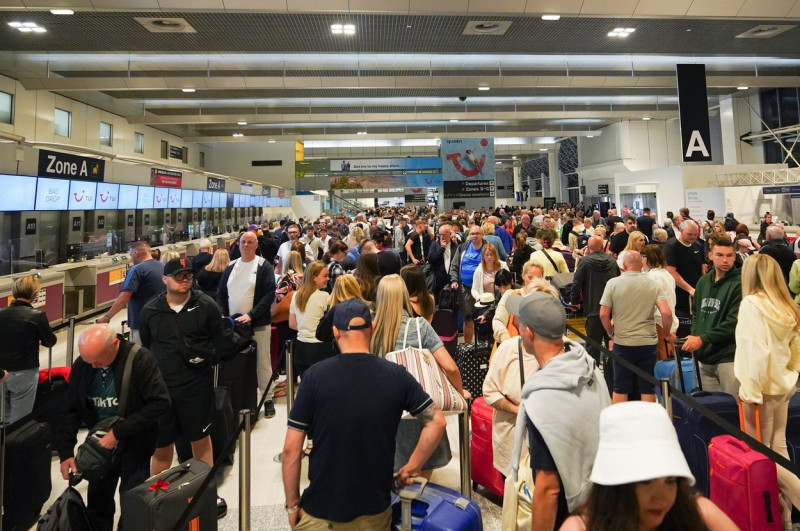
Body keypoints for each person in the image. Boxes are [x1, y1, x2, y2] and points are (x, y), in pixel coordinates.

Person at [282, 299, 446, 529]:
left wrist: (292, 504)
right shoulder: (396, 375)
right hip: (374, 511)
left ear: (335, 332)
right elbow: (436, 422)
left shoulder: (314, 377)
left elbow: (291, 450)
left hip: (321, 510)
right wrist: (413, 466)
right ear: (371, 329)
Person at [509, 292, 611, 531]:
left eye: (520, 323)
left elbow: (548, 488)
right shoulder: (591, 370)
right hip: (601, 505)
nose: (517, 326)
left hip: (568, 517)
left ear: (529, 332)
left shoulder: (543, 397)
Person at [56, 324, 170, 531]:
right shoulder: (84, 365)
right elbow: (70, 409)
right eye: (88, 361)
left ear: (115, 344)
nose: (93, 366)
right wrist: (65, 452)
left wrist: (118, 432)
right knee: (98, 503)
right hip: (100, 450)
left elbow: (160, 403)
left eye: (98, 361)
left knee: (133, 503)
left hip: (135, 446)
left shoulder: (141, 359)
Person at [559, 401, 738, 531]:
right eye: (646, 482)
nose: (660, 498)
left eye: (670, 481)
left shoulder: (699, 513)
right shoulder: (579, 528)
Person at [140, 258, 234, 480]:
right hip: (162, 389)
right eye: (179, 275)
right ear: (165, 279)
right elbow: (147, 345)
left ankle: (203, 492)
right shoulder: (151, 310)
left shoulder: (206, 305)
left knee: (200, 440)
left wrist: (203, 360)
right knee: (162, 445)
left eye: (189, 275)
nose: (185, 279)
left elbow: (220, 342)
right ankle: (159, 497)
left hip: (196, 385)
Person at [370, 274, 467, 479]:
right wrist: (459, 392)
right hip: (420, 412)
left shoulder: (371, 329)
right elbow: (450, 367)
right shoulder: (419, 326)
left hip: (384, 414)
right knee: (421, 486)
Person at [735, 253, 800, 529]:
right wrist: (791, 375)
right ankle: (783, 520)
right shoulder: (786, 304)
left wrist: (750, 391)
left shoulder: (752, 304)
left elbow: (754, 350)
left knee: (764, 457)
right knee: (778, 450)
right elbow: (796, 348)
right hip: (782, 386)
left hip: (760, 390)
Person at [216, 231, 278, 418]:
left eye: (250, 242)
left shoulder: (263, 266)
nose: (246, 245)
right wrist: (222, 314)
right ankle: (237, 398)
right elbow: (220, 293)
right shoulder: (231, 266)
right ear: (238, 244)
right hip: (233, 324)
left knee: (263, 363)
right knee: (236, 362)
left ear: (256, 244)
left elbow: (268, 294)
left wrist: (251, 315)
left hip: (257, 323)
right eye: (243, 242)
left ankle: (268, 399)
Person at [599, 251, 674, 403]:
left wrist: (610, 332)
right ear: (642, 265)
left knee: (620, 387)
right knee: (647, 387)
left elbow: (603, 315)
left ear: (624, 265)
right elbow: (666, 313)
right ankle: (646, 423)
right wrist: (666, 334)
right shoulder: (653, 284)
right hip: (647, 343)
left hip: (623, 342)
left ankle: (619, 423)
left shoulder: (613, 284)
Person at [680, 236, 741, 396]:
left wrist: (702, 338)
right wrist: (695, 335)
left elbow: (734, 322)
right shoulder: (703, 281)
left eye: (729, 255)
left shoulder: (740, 283)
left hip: (728, 356)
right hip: (703, 356)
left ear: (734, 256)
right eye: (720, 255)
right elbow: (696, 314)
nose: (725, 260)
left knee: (732, 409)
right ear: (711, 256)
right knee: (711, 410)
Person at [0, 275, 57, 425]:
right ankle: (15, 448)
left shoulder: (1, 314)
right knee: (19, 422)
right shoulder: (37, 316)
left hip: (1, 372)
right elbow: (50, 341)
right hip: (24, 372)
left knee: (3, 419)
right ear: (34, 294)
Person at [97, 241, 165, 344]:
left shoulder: (136, 269)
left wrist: (107, 317)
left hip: (141, 324)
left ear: (136, 254)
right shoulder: (161, 266)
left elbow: (124, 297)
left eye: (131, 254)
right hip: (160, 322)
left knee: (140, 356)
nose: (131, 257)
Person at [570, 236, 620, 365]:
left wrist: (574, 301)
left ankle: (594, 378)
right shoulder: (612, 262)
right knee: (614, 345)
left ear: (588, 247)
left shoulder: (585, 262)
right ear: (603, 246)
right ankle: (612, 376)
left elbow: (576, 283)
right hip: (612, 312)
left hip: (593, 309)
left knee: (593, 347)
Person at [289, 261, 333, 378]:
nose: (328, 279)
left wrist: (307, 327)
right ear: (314, 277)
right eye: (325, 276)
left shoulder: (296, 296)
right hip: (320, 349)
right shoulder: (324, 297)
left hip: (301, 348)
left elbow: (292, 324)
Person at [663, 220, 706, 332]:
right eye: (689, 234)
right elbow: (671, 271)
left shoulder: (697, 245)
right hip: (680, 295)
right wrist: (689, 289)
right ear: (681, 231)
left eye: (695, 234)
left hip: (696, 292)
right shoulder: (671, 246)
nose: (693, 237)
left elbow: (702, 266)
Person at [642, 244, 678, 361]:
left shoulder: (651, 277)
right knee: (670, 354)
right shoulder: (666, 274)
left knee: (663, 358)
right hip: (670, 318)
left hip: (659, 320)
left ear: (647, 258)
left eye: (642, 257)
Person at [493, 261, 545, 343]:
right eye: (530, 278)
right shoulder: (510, 295)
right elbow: (498, 321)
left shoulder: (545, 299)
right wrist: (505, 337)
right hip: (512, 347)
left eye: (538, 278)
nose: (534, 282)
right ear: (523, 276)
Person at [449, 224, 485, 343]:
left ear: (482, 235)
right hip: (465, 288)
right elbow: (454, 266)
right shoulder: (462, 247)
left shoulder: (488, 248)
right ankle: (468, 345)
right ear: (469, 235)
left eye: (477, 234)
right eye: (472, 234)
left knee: (484, 318)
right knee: (468, 318)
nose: (474, 236)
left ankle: (483, 344)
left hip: (483, 290)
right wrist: (454, 280)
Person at [427, 222, 460, 302]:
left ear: (450, 234)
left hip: (451, 281)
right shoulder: (434, 245)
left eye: (444, 234)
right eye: (440, 234)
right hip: (438, 281)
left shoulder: (456, 247)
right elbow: (430, 260)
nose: (441, 237)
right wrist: (441, 249)